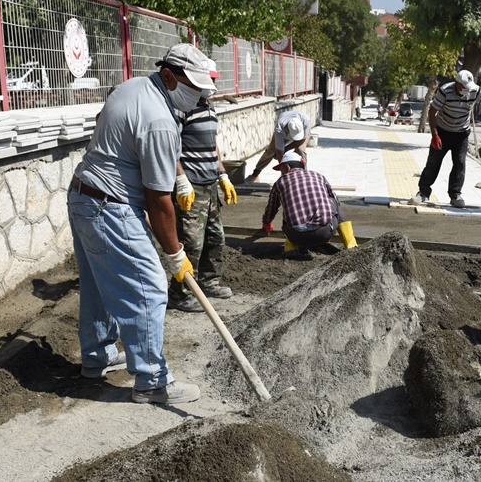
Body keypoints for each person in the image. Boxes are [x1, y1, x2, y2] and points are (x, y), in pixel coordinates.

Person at [67, 43, 216, 405]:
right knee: (148, 287)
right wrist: (174, 253)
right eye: (192, 87)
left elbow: (130, 139)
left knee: (100, 284)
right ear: (168, 76)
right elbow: (158, 202)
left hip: (83, 196)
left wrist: (177, 175)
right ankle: (152, 380)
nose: (197, 96)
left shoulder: (133, 88)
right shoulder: (161, 120)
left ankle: (97, 357)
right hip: (110, 207)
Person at [168, 59, 238, 313]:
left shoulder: (210, 108)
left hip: (210, 185)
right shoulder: (182, 109)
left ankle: (209, 282)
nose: (212, 84)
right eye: (209, 79)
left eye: (214, 79)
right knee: (191, 242)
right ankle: (179, 293)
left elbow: (213, 145)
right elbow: (171, 146)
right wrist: (181, 179)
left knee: (216, 237)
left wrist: (223, 175)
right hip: (192, 187)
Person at [409, 70, 481, 208]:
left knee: (459, 163)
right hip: (442, 131)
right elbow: (432, 112)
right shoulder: (445, 91)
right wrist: (435, 135)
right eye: (464, 87)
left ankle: (455, 195)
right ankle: (423, 193)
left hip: (462, 133)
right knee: (433, 163)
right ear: (457, 84)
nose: (467, 90)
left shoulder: (475, 90)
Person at [261, 151, 357, 255]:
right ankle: (351, 246)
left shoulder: (279, 183)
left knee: (288, 207)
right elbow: (334, 200)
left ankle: (291, 249)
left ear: (287, 167)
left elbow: (271, 208)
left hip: (296, 237)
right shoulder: (318, 176)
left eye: (281, 169)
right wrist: (334, 220)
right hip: (324, 233)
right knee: (333, 201)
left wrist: (266, 223)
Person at [247, 111, 311, 182]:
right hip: (284, 133)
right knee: (271, 151)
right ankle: (255, 174)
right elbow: (279, 151)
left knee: (301, 151)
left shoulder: (305, 121)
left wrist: (286, 149)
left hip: (301, 136)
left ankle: (303, 178)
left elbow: (301, 140)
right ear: (287, 128)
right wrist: (284, 169)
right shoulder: (280, 126)